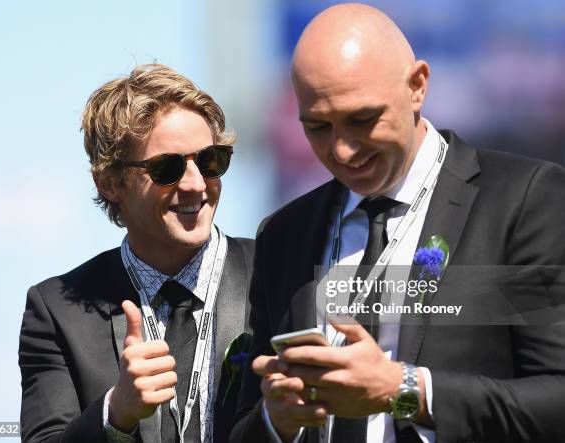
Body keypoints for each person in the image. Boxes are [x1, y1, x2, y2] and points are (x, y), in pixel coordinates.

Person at [231, 3, 565, 443]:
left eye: (362, 119)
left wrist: (403, 390)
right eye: (318, 127)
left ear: (417, 86)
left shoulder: (521, 201)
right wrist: (278, 421)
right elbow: (244, 426)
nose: (343, 150)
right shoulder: (284, 236)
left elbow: (555, 401)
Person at [19, 64, 254, 443]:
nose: (196, 184)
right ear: (110, 183)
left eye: (211, 161)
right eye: (168, 168)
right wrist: (116, 413)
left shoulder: (277, 270)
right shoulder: (55, 312)